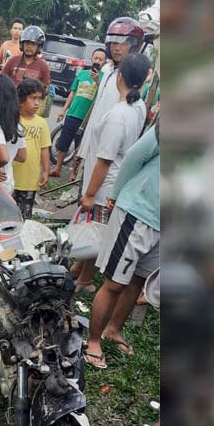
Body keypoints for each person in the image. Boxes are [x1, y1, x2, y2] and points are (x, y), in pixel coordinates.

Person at [82, 83, 157, 371]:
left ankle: (113, 330)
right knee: (115, 283)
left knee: (139, 281)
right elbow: (135, 156)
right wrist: (116, 194)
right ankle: (93, 340)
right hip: (137, 212)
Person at [70, 17, 145, 292]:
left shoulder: (129, 95)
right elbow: (96, 116)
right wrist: (81, 150)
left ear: (135, 45)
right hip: (96, 153)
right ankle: (79, 267)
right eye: (113, 42)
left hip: (107, 161)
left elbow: (112, 137)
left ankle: (85, 277)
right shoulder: (110, 72)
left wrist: (90, 188)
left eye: (123, 43)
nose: (116, 48)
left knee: (97, 222)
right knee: (91, 218)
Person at [50, 48, 107, 178]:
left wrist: (98, 81)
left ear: (104, 62)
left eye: (100, 59)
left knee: (80, 146)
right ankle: (57, 168)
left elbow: (103, 96)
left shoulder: (104, 79)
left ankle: (73, 172)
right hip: (72, 114)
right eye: (95, 58)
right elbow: (72, 93)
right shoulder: (82, 74)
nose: (97, 61)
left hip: (87, 118)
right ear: (91, 59)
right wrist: (64, 110)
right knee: (63, 142)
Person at [13, 79, 51, 218]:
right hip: (11, 176)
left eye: (39, 99)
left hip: (30, 178)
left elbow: (44, 149)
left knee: (24, 216)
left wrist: (46, 171)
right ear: (21, 99)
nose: (37, 103)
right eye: (32, 98)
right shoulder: (12, 120)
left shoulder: (41, 123)